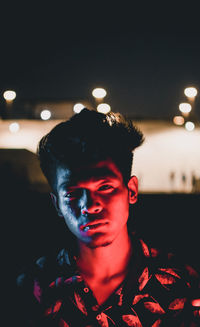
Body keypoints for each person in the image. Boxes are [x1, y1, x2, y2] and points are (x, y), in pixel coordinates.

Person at [16, 108, 200, 327]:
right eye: (73, 193)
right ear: (57, 204)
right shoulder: (33, 288)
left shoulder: (180, 284)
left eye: (105, 187)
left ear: (131, 191)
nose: (90, 205)